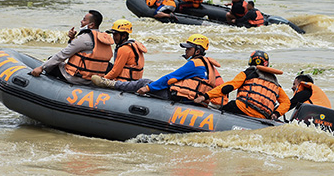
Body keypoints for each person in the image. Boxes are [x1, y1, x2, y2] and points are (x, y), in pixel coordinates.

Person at [94, 34, 222, 107]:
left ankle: (111, 84)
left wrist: (148, 88)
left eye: (188, 49)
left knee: (143, 82)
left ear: (197, 51)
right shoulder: (209, 65)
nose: (186, 51)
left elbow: (170, 78)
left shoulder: (194, 64)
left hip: (179, 98)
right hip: (191, 100)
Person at [30, 10, 112, 85]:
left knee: (51, 61)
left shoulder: (84, 38)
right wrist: (72, 39)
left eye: (84, 20)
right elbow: (87, 52)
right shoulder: (104, 39)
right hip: (93, 80)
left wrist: (41, 67)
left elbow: (63, 54)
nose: (81, 21)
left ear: (91, 25)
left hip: (77, 78)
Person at [206, 50, 290, 120]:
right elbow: (286, 102)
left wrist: (206, 96)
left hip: (242, 108)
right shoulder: (276, 84)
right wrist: (276, 114)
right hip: (262, 116)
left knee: (224, 109)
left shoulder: (247, 74)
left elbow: (228, 87)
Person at [92, 19, 147, 83]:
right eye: (113, 35)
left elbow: (115, 72)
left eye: (115, 35)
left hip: (124, 82)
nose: (114, 37)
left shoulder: (124, 49)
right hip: (133, 81)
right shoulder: (134, 45)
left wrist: (103, 79)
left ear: (124, 35)